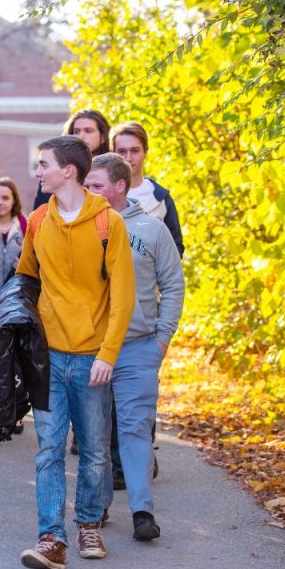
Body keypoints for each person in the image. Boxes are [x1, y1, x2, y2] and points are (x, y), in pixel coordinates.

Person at [16, 136, 134, 569]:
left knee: (94, 450)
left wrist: (108, 354)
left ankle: (88, 523)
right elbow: (25, 279)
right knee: (48, 449)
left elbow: (123, 298)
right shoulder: (38, 220)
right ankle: (51, 537)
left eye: (43, 164)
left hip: (90, 358)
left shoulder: (108, 224)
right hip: (47, 356)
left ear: (69, 171)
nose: (37, 171)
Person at [84, 153, 184, 541]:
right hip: (89, 346)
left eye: (97, 185)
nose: (89, 191)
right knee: (95, 430)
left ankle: (142, 512)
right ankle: (99, 504)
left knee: (135, 429)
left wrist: (162, 338)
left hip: (139, 346)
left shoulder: (152, 230)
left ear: (120, 186)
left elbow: (173, 285)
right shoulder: (79, 227)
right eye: (87, 185)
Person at [111, 121, 185, 258]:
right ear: (113, 154)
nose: (128, 158)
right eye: (122, 151)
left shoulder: (160, 198)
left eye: (135, 151)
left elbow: (175, 248)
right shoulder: (101, 197)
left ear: (145, 152)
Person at [33, 109, 112, 211]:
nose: (81, 136)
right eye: (76, 131)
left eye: (88, 131)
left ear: (102, 137)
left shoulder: (113, 170)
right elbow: (40, 215)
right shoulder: (52, 172)